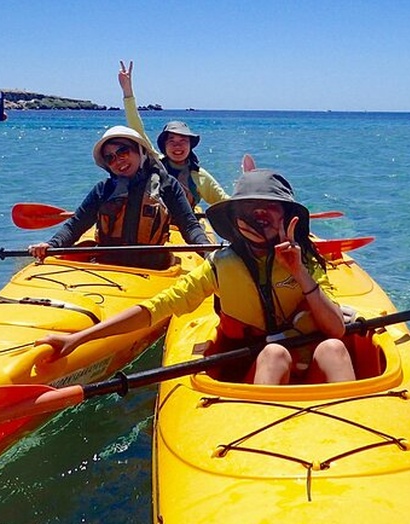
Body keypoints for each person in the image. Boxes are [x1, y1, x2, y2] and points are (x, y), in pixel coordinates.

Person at [36, 168, 355, 385]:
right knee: (274, 353)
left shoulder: (306, 262)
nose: (260, 218)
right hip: (249, 368)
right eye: (251, 210)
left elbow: (335, 330)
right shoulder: (221, 265)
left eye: (270, 209)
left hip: (308, 364)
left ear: (288, 218)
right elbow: (155, 309)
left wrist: (298, 270)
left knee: (333, 349)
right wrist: (76, 339)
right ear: (236, 220)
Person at [28, 125, 211, 269]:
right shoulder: (103, 190)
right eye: (110, 158)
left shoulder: (167, 185)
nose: (118, 161)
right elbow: (75, 225)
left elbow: (189, 227)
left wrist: (209, 253)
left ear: (140, 151)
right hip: (109, 268)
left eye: (123, 152)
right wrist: (50, 245)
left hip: (154, 270)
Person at [118, 60, 229, 209]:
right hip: (153, 225)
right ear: (164, 146)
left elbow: (225, 202)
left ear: (190, 145)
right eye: (172, 141)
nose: (177, 145)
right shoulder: (156, 163)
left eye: (183, 140)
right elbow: (136, 130)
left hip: (186, 227)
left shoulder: (199, 176)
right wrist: (127, 92)